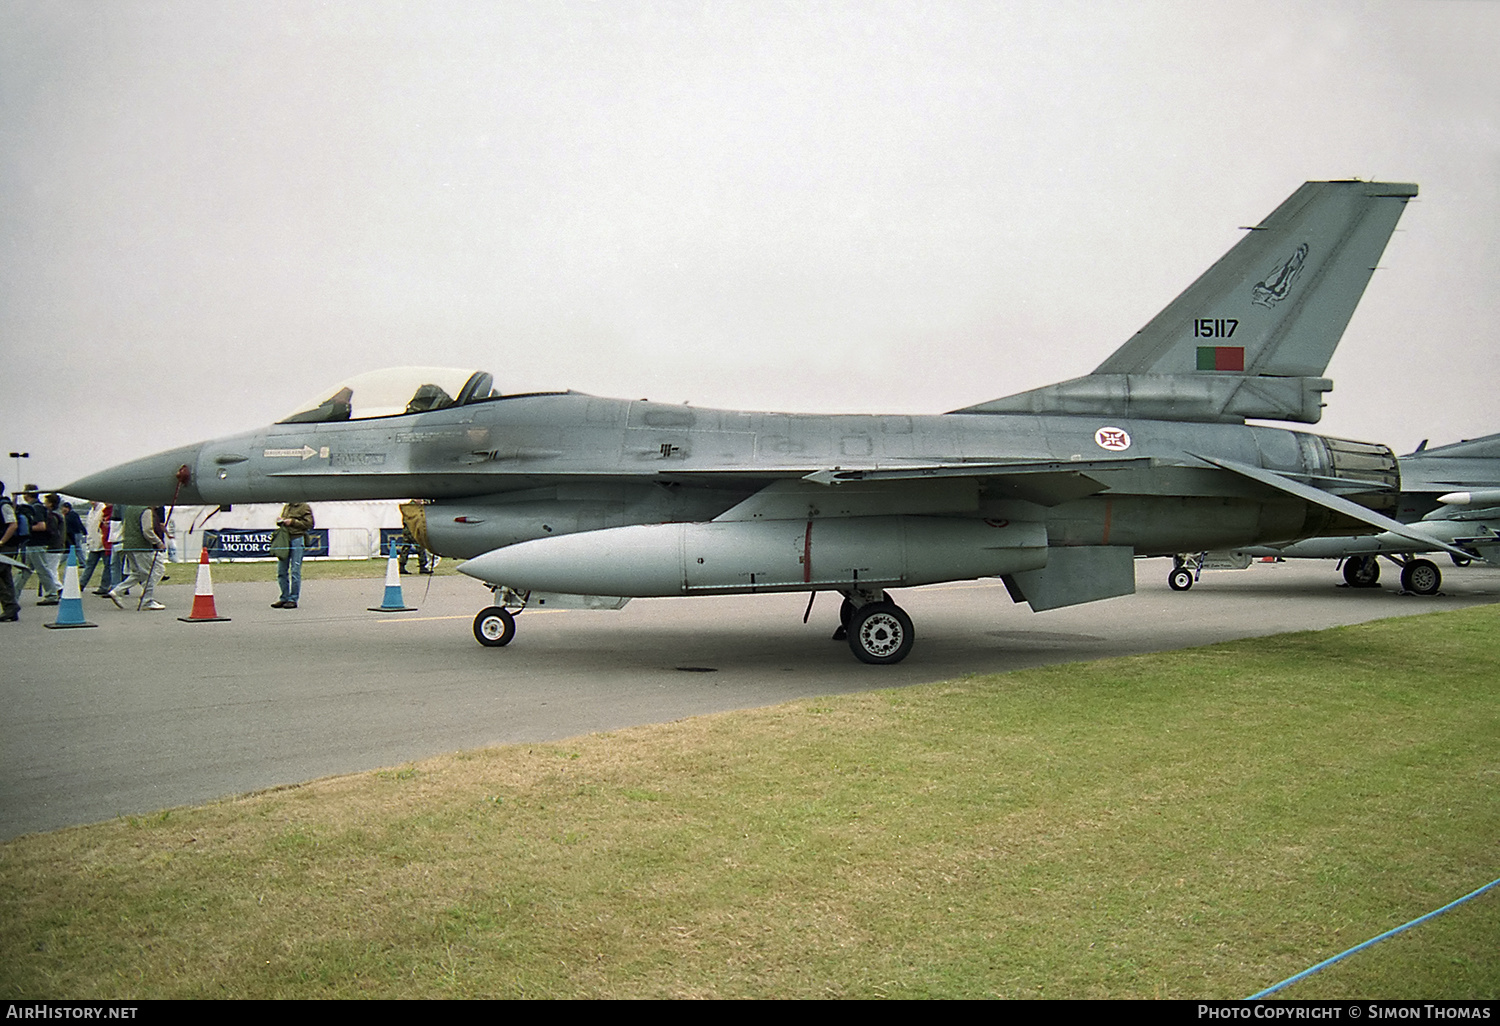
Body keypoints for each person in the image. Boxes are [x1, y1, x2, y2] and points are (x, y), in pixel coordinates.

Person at [106, 505, 167, 610]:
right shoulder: (146, 511)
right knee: (148, 573)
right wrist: (158, 542)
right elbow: (147, 530)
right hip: (141, 546)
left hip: (128, 545)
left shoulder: (129, 508)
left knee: (136, 573)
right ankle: (147, 600)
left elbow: (124, 527)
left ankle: (117, 591)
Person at [272, 501, 314, 609]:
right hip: (285, 539)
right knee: (281, 570)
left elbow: (309, 524)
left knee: (295, 570)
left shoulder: (304, 507)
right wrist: (281, 521)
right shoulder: (287, 507)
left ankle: (293, 599)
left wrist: (293, 522)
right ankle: (284, 597)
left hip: (297, 538)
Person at [0, 481, 21, 622]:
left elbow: (13, 525)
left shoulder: (4, 506)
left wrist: (1, 541)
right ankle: (11, 608)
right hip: (5, 545)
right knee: (5, 576)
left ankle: (10, 606)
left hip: (5, 546)